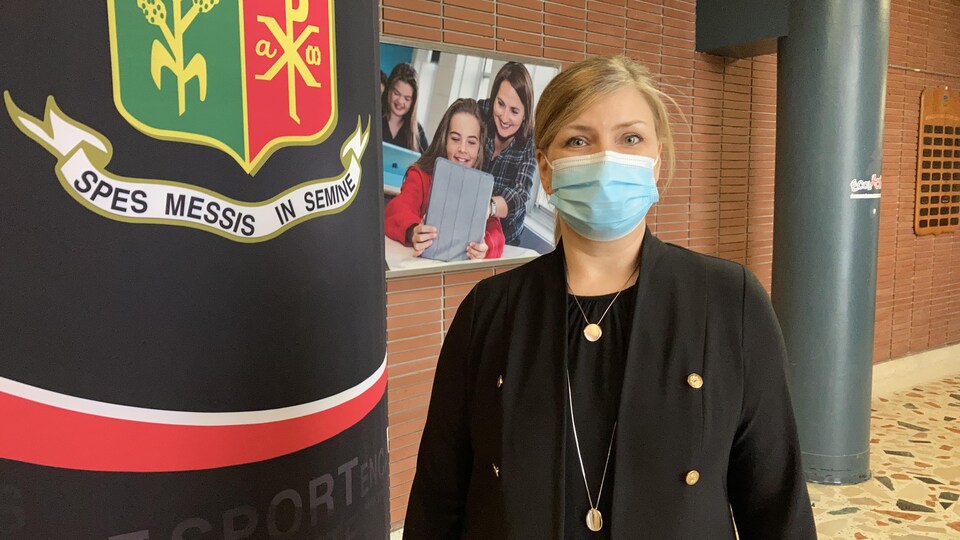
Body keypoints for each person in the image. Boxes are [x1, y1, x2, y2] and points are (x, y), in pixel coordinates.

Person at [404, 56, 816, 538]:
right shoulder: (489, 313)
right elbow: (438, 503)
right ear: (548, 169)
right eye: (579, 141)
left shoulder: (730, 303)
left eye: (630, 138)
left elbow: (777, 509)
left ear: (656, 159)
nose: (606, 159)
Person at [385, 98, 504, 261]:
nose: (462, 149)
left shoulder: (480, 187)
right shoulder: (421, 175)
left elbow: (497, 234)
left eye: (471, 142)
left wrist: (486, 247)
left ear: (479, 149)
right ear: (444, 140)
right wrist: (414, 231)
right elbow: (397, 209)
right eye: (455, 139)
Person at [478, 62, 537, 247]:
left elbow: (520, 194)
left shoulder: (530, 143)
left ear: (525, 114)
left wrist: (489, 207)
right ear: (493, 98)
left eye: (514, 111)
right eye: (500, 104)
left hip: (506, 241)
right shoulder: (480, 112)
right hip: (468, 227)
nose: (504, 117)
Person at [382, 63, 429, 152]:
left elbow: (428, 163)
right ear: (389, 90)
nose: (400, 101)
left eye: (407, 98)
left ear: (413, 102)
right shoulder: (372, 118)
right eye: (396, 93)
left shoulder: (417, 132)